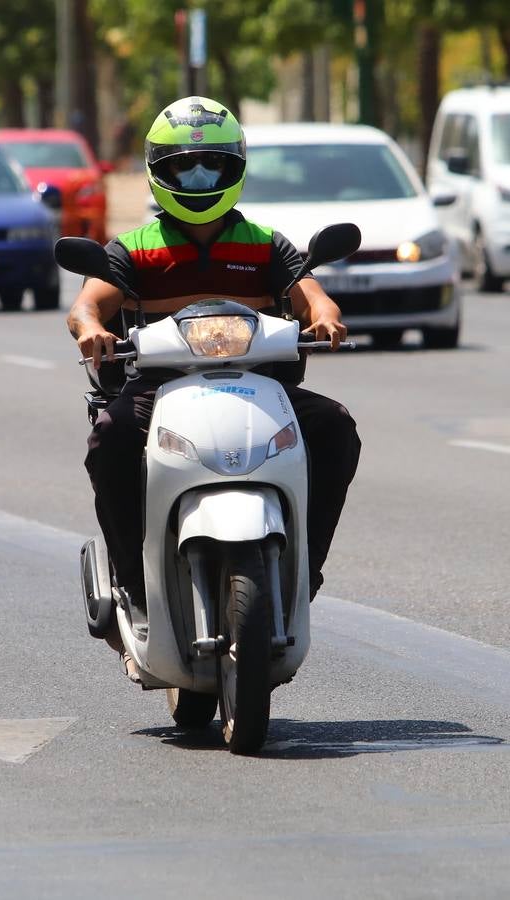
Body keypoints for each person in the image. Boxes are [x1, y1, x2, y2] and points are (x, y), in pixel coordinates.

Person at [66, 96, 361, 660]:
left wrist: (324, 318)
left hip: (263, 390)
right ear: (159, 171)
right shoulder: (133, 249)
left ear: (236, 169)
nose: (198, 178)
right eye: (184, 166)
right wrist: (89, 330)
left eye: (212, 165)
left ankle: (305, 567)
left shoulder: (264, 243)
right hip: (160, 392)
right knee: (110, 438)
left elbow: (311, 295)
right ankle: (132, 578)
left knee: (335, 430)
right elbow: (87, 306)